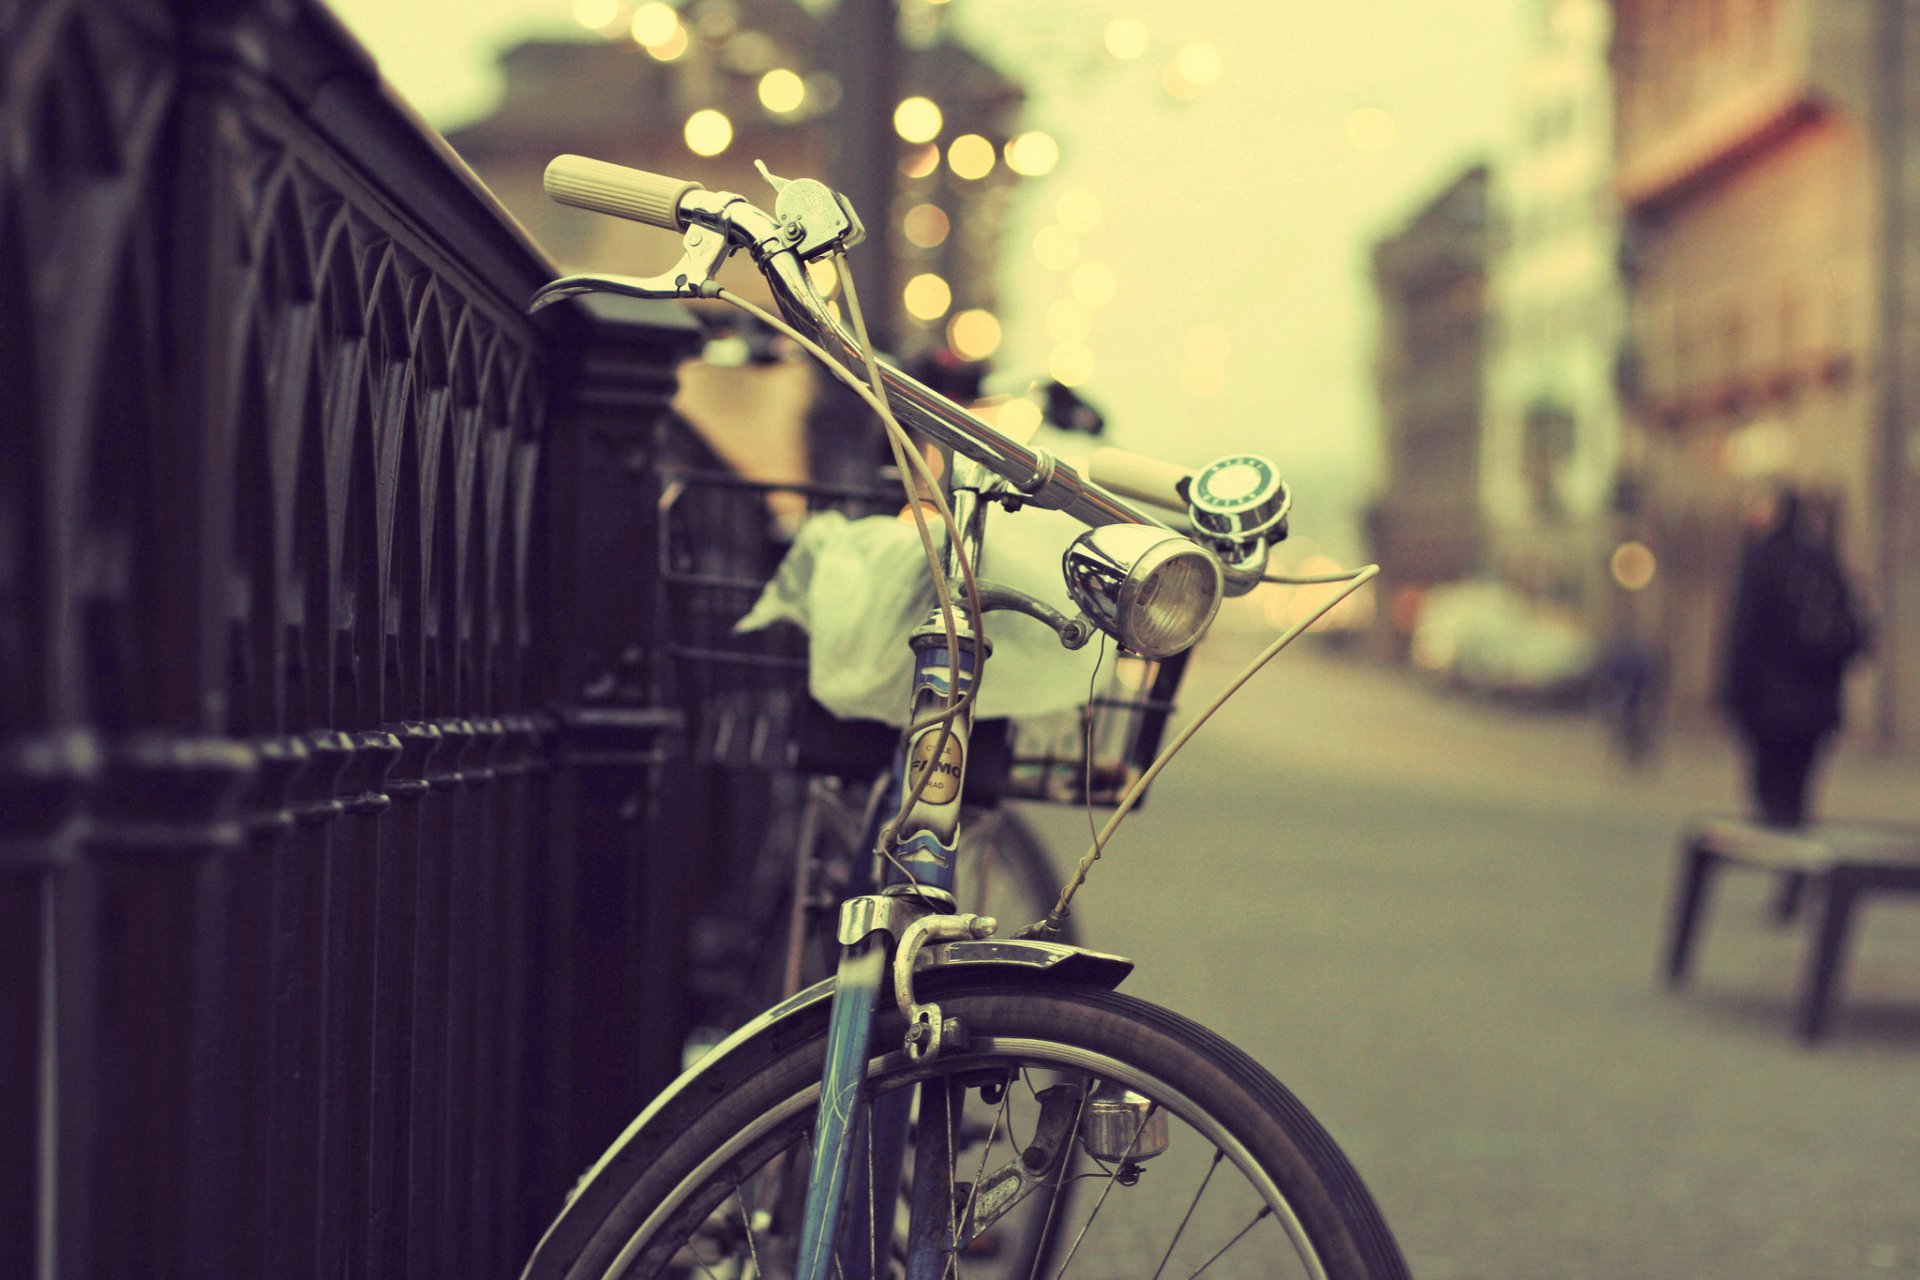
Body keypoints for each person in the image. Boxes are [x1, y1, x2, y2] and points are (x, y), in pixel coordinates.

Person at [1717, 486, 1869, 829]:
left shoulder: (1760, 558)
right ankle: (1795, 856)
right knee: (1798, 791)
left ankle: (1786, 856)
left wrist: (1731, 694)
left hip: (1767, 704)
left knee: (1769, 790)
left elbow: (1744, 631)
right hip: (1817, 704)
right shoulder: (1823, 559)